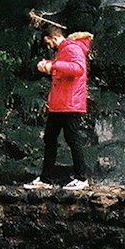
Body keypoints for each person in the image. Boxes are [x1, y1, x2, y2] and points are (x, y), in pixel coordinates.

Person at [22, 11, 93, 191]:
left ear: (54, 37)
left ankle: (82, 178)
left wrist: (52, 65)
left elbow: (78, 69)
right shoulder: (63, 50)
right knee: (50, 138)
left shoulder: (72, 48)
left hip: (71, 104)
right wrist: (49, 65)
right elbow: (64, 71)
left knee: (72, 138)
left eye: (48, 42)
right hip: (60, 104)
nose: (48, 46)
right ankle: (45, 179)